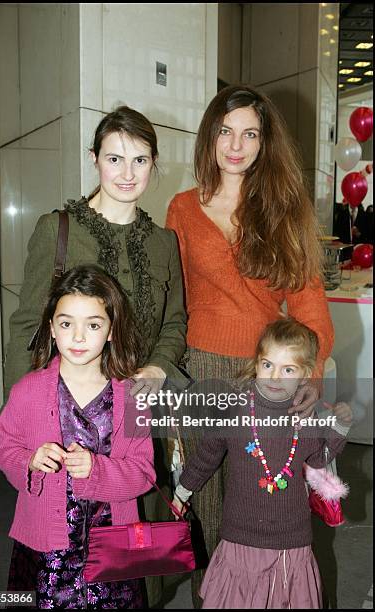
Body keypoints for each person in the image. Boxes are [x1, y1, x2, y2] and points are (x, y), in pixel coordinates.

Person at [3, 106, 187, 606]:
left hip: (133, 411)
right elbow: (27, 324)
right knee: (58, 543)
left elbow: (175, 323)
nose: (128, 174)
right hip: (63, 405)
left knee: (134, 537)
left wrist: (155, 368)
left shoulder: (165, 242)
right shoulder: (57, 229)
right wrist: (25, 418)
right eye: (114, 158)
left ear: (154, 164)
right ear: (94, 160)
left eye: (141, 160)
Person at [165, 84, 335, 607]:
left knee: (263, 507)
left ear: (265, 143)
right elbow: (175, 302)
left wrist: (310, 376)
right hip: (200, 372)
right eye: (225, 131)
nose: (236, 145)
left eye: (250, 133)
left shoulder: (281, 209)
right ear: (209, 136)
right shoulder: (182, 209)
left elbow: (309, 305)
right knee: (205, 506)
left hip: (267, 375)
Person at [0, 265, 156, 609]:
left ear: (112, 330)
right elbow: (4, 449)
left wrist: (98, 470)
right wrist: (29, 461)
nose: (78, 337)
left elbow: (144, 473)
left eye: (93, 325)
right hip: (47, 550)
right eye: (67, 324)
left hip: (112, 549)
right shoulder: (27, 391)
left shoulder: (132, 398)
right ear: (52, 328)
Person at [173, 317, 352, 609]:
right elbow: (207, 455)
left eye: (288, 369)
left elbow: (318, 460)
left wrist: (338, 430)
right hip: (240, 536)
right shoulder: (235, 410)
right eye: (268, 365)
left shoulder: (306, 419)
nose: (274, 377)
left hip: (290, 540)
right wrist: (183, 491)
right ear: (257, 364)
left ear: (305, 375)